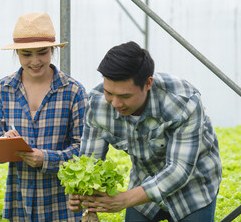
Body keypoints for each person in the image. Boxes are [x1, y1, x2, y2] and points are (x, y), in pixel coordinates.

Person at [69, 41, 222, 222]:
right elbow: (90, 160)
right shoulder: (97, 103)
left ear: (148, 83)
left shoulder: (183, 101)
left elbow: (179, 169)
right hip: (144, 179)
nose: (115, 103)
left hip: (193, 185)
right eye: (109, 92)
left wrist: (124, 199)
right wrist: (83, 190)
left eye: (125, 96)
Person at [0, 13, 87, 222]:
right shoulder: (3, 89)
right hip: (20, 200)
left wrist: (46, 158)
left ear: (53, 50)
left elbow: (84, 149)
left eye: (42, 53)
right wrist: (4, 142)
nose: (35, 61)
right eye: (26, 54)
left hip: (62, 202)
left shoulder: (73, 91)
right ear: (17, 53)